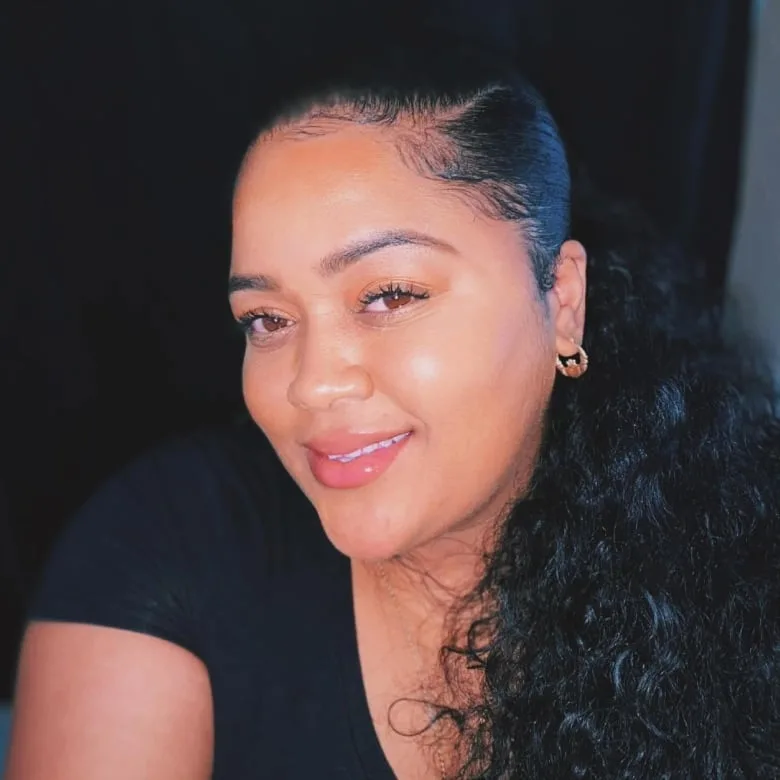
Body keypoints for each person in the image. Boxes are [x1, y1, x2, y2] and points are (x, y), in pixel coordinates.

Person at [6, 39, 780, 780]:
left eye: (389, 295)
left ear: (564, 302)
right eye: (267, 320)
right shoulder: (165, 545)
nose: (311, 384)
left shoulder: (741, 573)